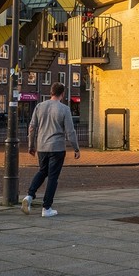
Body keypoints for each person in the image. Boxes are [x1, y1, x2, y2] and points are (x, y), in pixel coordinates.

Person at [22, 83, 80, 218]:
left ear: (50, 92)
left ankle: (29, 196)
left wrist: (31, 145)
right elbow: (70, 131)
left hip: (42, 146)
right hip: (57, 147)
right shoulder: (64, 109)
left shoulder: (39, 106)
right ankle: (46, 207)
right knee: (53, 177)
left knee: (42, 171)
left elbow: (31, 127)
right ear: (63, 94)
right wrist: (76, 148)